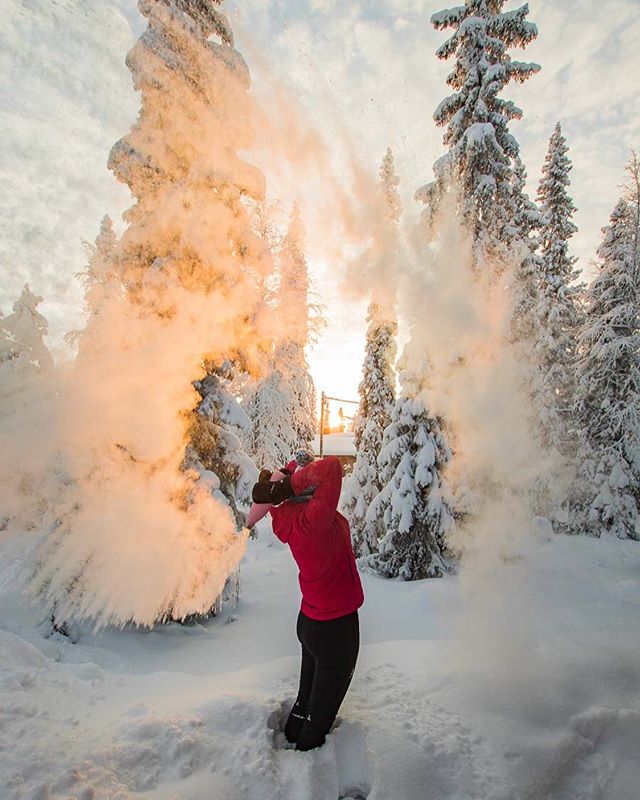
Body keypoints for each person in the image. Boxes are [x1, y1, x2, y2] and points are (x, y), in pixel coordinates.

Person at [248, 452, 364, 751]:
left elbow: (291, 479)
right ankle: (303, 766)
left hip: (312, 623)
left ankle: (291, 737)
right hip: (335, 629)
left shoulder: (285, 512)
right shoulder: (313, 521)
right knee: (320, 716)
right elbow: (332, 468)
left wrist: (286, 477)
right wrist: (287, 485)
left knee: (305, 702)